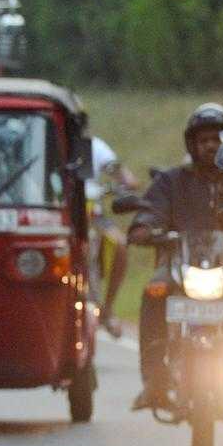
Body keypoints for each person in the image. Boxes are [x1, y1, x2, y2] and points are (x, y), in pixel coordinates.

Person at [129, 103, 223, 410]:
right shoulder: (172, 180)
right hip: (179, 268)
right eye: (204, 140)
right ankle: (155, 378)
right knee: (154, 290)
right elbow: (151, 209)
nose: (211, 145)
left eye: (217, 138)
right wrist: (144, 227)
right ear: (192, 143)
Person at [86, 132, 139, 338]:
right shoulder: (47, 138)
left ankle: (107, 309)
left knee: (120, 244)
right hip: (59, 214)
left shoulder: (93, 146)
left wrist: (126, 181)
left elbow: (119, 172)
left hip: (92, 214)